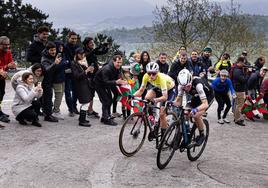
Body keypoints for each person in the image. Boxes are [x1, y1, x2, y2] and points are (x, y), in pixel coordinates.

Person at [133, 62, 176, 136]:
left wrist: (156, 100)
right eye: (149, 73)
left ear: (157, 72)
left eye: (153, 73)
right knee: (147, 97)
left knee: (162, 113)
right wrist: (132, 96)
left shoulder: (161, 78)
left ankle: (163, 135)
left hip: (170, 90)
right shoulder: (146, 76)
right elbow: (141, 91)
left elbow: (165, 97)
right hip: (159, 88)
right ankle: (151, 118)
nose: (151, 76)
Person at [173, 69, 214, 146]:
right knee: (185, 113)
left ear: (191, 81)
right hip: (196, 96)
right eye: (184, 87)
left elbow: (205, 104)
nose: (186, 89)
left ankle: (202, 135)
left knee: (196, 115)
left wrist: (195, 109)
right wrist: (171, 103)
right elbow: (178, 101)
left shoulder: (198, 85)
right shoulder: (181, 85)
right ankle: (187, 134)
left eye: (188, 86)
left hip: (208, 97)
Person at [94, 55, 127, 125]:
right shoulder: (107, 69)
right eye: (118, 62)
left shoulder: (117, 67)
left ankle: (105, 117)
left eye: (121, 62)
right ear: (113, 61)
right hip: (99, 84)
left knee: (109, 99)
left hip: (106, 84)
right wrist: (116, 82)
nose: (119, 64)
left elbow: (117, 77)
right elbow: (105, 81)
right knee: (106, 100)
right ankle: (106, 119)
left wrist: (122, 82)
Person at [83, 37, 110, 118]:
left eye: (93, 42)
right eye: (91, 43)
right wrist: (98, 47)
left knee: (92, 93)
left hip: (95, 74)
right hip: (89, 75)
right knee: (90, 93)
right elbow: (89, 55)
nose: (92, 44)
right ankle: (88, 110)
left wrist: (106, 47)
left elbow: (102, 52)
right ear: (86, 44)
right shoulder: (84, 51)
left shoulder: (92, 51)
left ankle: (90, 109)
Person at [71, 48, 93, 127]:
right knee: (86, 102)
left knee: (86, 101)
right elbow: (77, 76)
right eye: (81, 54)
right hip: (80, 85)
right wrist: (86, 70)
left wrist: (89, 69)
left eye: (83, 54)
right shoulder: (74, 63)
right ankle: (82, 121)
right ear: (77, 54)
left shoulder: (80, 62)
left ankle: (82, 118)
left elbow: (84, 73)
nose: (83, 55)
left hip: (85, 84)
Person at [41, 42, 62, 122]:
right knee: (47, 98)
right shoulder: (44, 59)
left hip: (52, 79)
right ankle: (48, 116)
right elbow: (46, 70)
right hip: (46, 81)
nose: (53, 51)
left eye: (54, 49)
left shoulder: (53, 56)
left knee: (48, 98)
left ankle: (47, 113)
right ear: (47, 50)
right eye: (51, 50)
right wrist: (55, 63)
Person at [0, 36, 16, 124]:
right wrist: (6, 67)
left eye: (8, 44)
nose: (7, 46)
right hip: (1, 76)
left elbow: (11, 64)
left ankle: (0, 111)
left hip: (2, 78)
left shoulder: (8, 52)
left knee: (1, 94)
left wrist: (13, 66)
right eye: (5, 45)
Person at [64, 31, 79, 116]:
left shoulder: (77, 47)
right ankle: (70, 108)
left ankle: (74, 107)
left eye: (75, 39)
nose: (74, 40)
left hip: (75, 73)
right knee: (67, 92)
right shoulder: (65, 47)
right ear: (68, 38)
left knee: (75, 91)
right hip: (67, 72)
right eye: (72, 38)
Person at [232, 57, 249, 126]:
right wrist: (248, 74)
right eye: (242, 63)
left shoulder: (237, 69)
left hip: (237, 89)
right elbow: (244, 80)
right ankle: (237, 120)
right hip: (239, 90)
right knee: (239, 105)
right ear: (239, 62)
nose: (243, 64)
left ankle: (236, 117)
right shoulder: (237, 71)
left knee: (237, 104)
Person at [52, 41, 66, 120]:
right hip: (57, 80)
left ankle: (56, 110)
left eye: (62, 46)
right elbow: (57, 66)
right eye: (59, 46)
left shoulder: (62, 54)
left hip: (62, 78)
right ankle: (56, 111)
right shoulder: (56, 56)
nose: (61, 47)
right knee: (59, 96)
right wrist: (64, 63)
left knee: (60, 95)